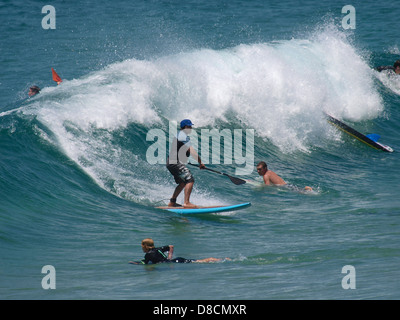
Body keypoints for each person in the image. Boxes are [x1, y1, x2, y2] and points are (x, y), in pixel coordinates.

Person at [166, 119, 205, 208]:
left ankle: (172, 202)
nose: (191, 128)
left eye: (191, 126)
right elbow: (191, 151)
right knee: (190, 180)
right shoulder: (183, 136)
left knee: (183, 182)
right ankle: (186, 203)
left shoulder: (179, 135)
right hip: (175, 163)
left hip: (171, 163)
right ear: (185, 127)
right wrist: (201, 163)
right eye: (189, 126)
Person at [129, 238, 224, 265]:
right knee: (199, 261)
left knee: (200, 262)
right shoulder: (158, 249)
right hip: (175, 260)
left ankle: (217, 259)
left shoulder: (148, 255)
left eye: (142, 246)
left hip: (175, 262)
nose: (142, 248)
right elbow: (171, 246)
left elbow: (144, 263)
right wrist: (170, 256)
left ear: (145, 246)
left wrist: (133, 262)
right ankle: (218, 259)